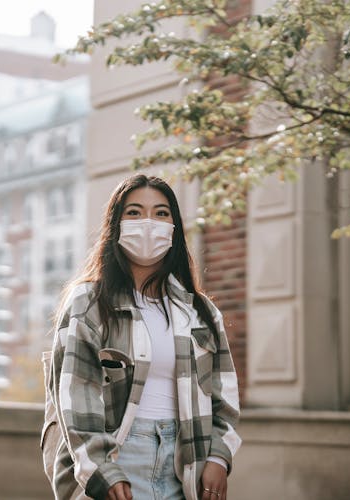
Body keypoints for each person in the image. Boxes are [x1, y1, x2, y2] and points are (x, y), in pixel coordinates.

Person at [43, 174, 241, 500]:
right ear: (116, 224)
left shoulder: (200, 312)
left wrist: (219, 456)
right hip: (117, 459)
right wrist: (101, 469)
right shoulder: (88, 303)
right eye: (134, 212)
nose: (148, 222)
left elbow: (225, 398)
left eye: (161, 213)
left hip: (186, 462)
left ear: (175, 227)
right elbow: (76, 397)